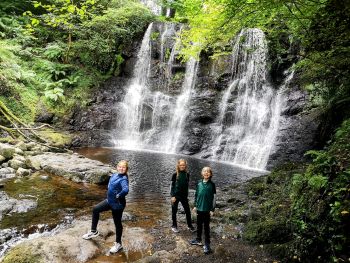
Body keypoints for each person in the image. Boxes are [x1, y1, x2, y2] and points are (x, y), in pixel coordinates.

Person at [82, 160, 129, 254]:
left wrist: (119, 195)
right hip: (109, 201)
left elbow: (126, 189)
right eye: (120, 166)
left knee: (117, 224)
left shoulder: (124, 179)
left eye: (123, 167)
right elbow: (111, 183)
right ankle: (93, 231)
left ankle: (118, 244)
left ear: (126, 169)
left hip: (117, 205)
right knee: (96, 209)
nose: (121, 168)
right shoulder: (115, 175)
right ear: (117, 167)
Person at [190, 166, 216, 254]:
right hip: (199, 209)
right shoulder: (199, 183)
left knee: (206, 227)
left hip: (207, 210)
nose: (206, 173)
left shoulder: (212, 185)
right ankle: (198, 239)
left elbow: (214, 198)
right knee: (199, 225)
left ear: (210, 174)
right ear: (202, 173)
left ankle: (207, 244)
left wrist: (212, 209)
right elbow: (196, 195)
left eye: (208, 171)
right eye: (204, 171)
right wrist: (195, 206)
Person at [170, 159, 195, 233]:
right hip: (176, 196)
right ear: (178, 165)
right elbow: (172, 186)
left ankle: (189, 226)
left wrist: (186, 196)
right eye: (180, 165)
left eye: (183, 165)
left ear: (185, 166)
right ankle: (174, 226)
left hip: (184, 196)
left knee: (187, 211)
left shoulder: (187, 174)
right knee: (174, 211)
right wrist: (172, 196)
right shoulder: (175, 174)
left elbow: (186, 186)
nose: (182, 166)